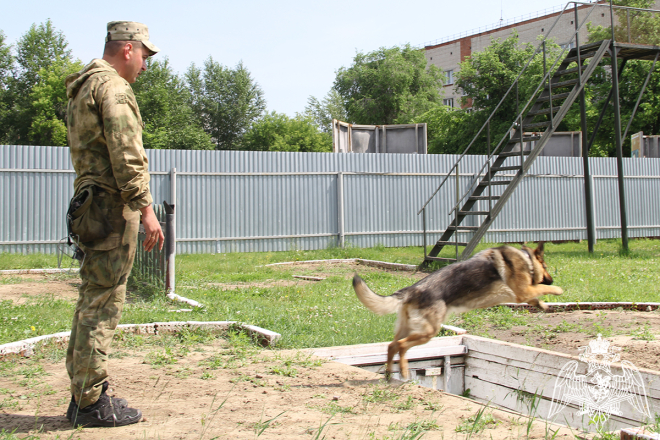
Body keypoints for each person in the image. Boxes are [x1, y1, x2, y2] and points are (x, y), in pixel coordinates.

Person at [64, 21, 164, 428]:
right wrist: (146, 210)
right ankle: (90, 403)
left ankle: (84, 394)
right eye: (144, 55)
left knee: (92, 299)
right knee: (103, 303)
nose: (145, 65)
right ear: (127, 49)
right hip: (110, 208)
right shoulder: (113, 88)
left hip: (90, 205)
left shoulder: (83, 86)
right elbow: (127, 154)